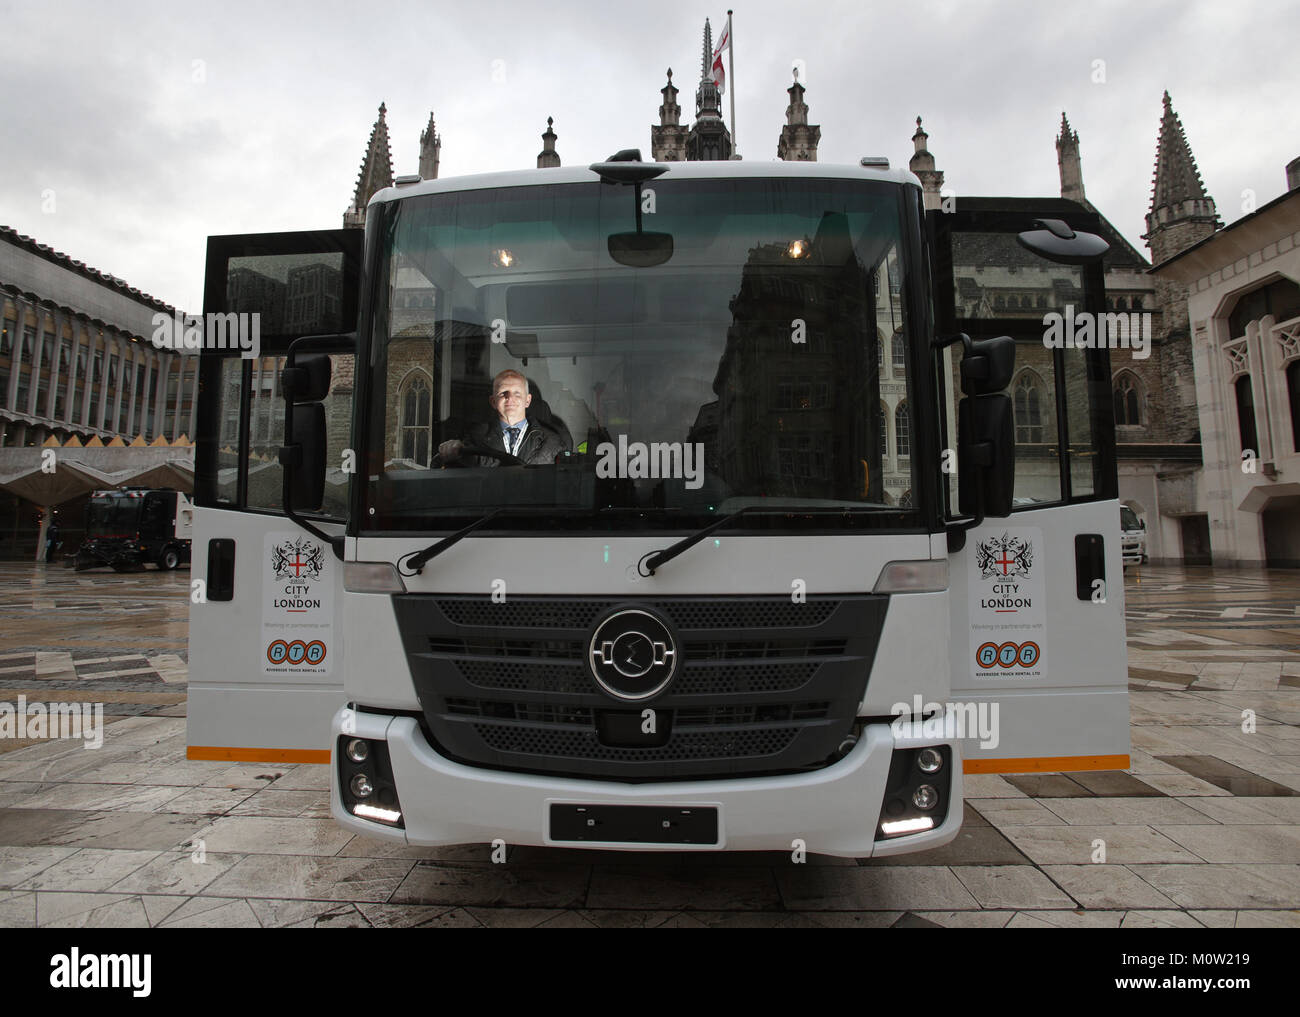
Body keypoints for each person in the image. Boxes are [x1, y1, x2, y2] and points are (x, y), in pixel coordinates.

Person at [438, 369, 566, 467]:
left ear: (528, 400)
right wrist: (451, 450)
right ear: (493, 401)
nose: (510, 398)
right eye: (503, 393)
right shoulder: (474, 438)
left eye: (517, 393)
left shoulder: (552, 442)